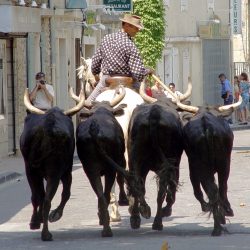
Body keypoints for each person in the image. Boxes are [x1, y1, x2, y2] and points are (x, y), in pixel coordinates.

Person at [87, 14, 154, 102]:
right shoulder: (130, 45)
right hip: (129, 82)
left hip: (107, 80)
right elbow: (138, 74)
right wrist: (148, 70)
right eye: (136, 27)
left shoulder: (106, 39)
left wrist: (96, 74)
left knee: (87, 106)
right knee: (146, 110)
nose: (138, 30)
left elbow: (95, 65)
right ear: (126, 25)